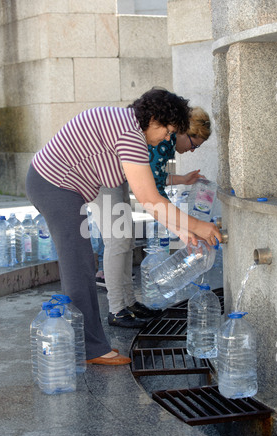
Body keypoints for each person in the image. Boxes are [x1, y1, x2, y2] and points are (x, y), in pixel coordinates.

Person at [26, 88, 221, 365]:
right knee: (78, 267)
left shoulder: (129, 125)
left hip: (60, 185)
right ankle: (91, 350)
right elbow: (149, 199)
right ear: (154, 119)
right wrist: (199, 226)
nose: (167, 139)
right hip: (54, 185)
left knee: (81, 263)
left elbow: (149, 194)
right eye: (167, 131)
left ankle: (89, 345)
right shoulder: (130, 135)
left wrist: (184, 231)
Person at [92, 106, 214, 328]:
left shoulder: (166, 143)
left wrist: (180, 179)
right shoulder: (165, 141)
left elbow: (150, 176)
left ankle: (128, 303)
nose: (193, 150)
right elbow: (152, 197)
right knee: (116, 240)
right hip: (100, 175)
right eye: (195, 145)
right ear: (184, 132)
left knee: (125, 239)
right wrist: (185, 229)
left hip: (115, 177)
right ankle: (117, 309)